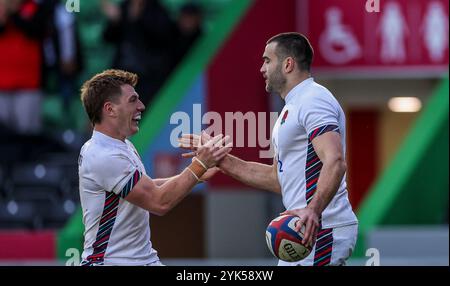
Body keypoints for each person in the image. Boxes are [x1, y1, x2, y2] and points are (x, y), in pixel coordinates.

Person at [179, 32, 358, 266]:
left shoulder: (313, 99)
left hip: (320, 229)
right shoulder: (291, 107)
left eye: (267, 60)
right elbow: (276, 178)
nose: (262, 68)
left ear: (288, 64)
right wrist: (219, 160)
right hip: (305, 229)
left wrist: (313, 210)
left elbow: (335, 160)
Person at [78, 69, 231, 266]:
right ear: (110, 109)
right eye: (133, 100)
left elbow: (146, 187)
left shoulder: (118, 145)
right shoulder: (104, 155)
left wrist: (196, 175)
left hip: (140, 260)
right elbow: (158, 202)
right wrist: (199, 165)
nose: (141, 106)